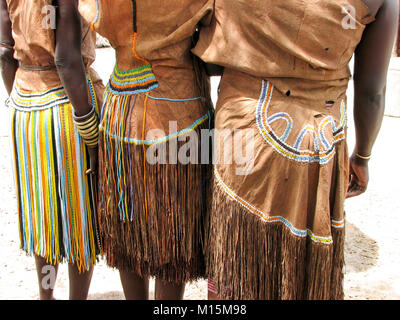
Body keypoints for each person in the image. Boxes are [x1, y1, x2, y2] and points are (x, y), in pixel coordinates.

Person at [193, 0, 398, 300]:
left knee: (233, 266)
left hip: (244, 131)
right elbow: (372, 94)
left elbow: (205, 53)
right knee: (305, 271)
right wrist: (362, 156)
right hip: (319, 142)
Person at [92, 0, 213, 300]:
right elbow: (217, 51)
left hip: (121, 113)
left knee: (129, 231)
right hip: (179, 114)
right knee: (173, 237)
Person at [0, 0, 104, 300]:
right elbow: (66, 61)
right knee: (77, 217)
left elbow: (6, 53)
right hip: (66, 106)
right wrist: (89, 131)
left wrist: (21, 101)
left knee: (42, 214)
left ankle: (46, 296)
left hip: (26, 108)